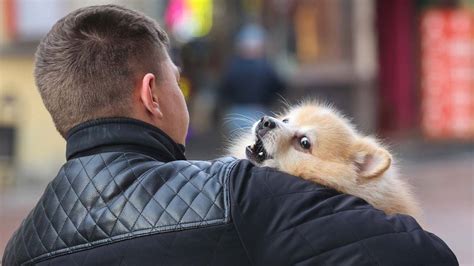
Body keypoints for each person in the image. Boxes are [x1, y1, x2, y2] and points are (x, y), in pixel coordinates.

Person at [2, 5, 457, 266]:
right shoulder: (239, 194)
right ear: (151, 96)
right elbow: (426, 256)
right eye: (174, 80)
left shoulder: (20, 249)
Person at [219, 23, 285, 135]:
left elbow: (224, 89)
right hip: (260, 113)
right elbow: (278, 87)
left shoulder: (233, 66)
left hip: (236, 115)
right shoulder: (266, 66)